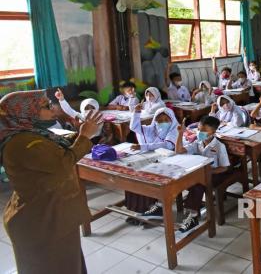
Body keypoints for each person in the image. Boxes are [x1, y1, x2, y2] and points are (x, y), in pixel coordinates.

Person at [0, 90, 102, 274]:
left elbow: (58, 145)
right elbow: (62, 163)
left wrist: (81, 134)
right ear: (27, 113)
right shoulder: (21, 143)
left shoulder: (34, 133)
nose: (52, 108)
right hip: (42, 221)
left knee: (69, 263)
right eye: (46, 105)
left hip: (55, 215)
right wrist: (84, 137)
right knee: (53, 266)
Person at [175, 116, 230, 233]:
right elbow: (179, 151)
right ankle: (194, 210)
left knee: (198, 184)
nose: (201, 133)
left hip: (216, 174)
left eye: (205, 131)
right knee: (188, 180)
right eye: (199, 129)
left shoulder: (220, 146)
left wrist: (208, 171)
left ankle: (193, 216)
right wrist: (180, 133)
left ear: (213, 132)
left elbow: (224, 167)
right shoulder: (197, 142)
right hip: (201, 173)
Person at [125, 107, 179, 218]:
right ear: (155, 120)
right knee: (133, 175)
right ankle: (137, 210)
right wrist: (136, 113)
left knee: (146, 177)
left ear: (172, 120)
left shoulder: (175, 129)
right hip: (153, 160)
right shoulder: (152, 129)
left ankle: (152, 208)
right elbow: (134, 127)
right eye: (159, 120)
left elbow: (167, 145)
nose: (163, 122)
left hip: (169, 162)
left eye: (166, 120)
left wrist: (144, 146)